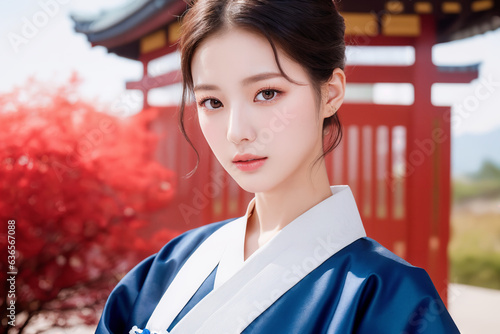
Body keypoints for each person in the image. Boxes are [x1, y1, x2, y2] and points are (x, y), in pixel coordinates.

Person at [95, 0, 460, 333]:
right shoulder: (168, 269)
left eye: (267, 93)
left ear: (330, 93)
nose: (237, 132)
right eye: (211, 101)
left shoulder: (389, 301)